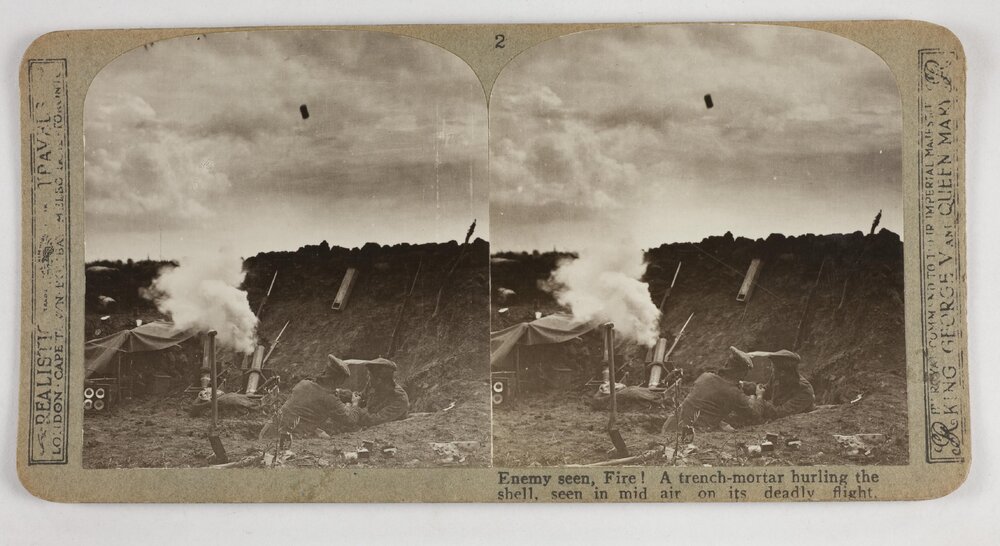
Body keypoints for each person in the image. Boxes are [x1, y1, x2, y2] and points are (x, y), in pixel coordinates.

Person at [661, 346, 762, 433]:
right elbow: (755, 414)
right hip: (690, 434)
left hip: (670, 426)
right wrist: (759, 395)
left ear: (726, 365)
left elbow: (722, 388)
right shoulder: (733, 393)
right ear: (742, 373)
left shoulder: (706, 376)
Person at [258, 354, 360, 439]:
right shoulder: (329, 399)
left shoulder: (304, 383)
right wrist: (355, 403)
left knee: (323, 436)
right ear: (337, 380)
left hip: (266, 432)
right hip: (283, 440)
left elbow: (302, 413)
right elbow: (351, 420)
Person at [755, 349, 815, 420]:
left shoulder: (804, 390)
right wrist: (743, 385)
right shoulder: (778, 378)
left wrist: (759, 398)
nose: (771, 370)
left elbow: (779, 413)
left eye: (773, 368)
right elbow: (766, 390)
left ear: (782, 373)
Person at [356, 358, 409, 426]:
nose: (367, 379)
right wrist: (341, 393)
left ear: (379, 380)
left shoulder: (399, 398)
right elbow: (360, 396)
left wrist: (355, 410)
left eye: (369, 376)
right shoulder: (374, 386)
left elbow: (374, 420)